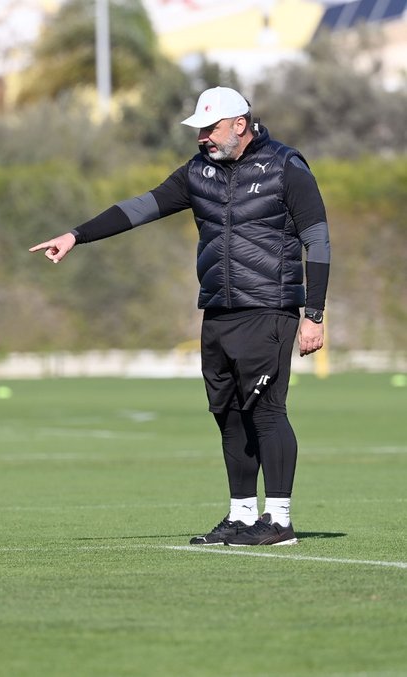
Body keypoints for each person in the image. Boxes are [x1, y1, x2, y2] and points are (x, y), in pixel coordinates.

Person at [30, 86, 330, 547]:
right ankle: (242, 516)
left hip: (269, 308)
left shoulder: (286, 167)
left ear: (239, 125)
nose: (202, 138)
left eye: (209, 129)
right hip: (218, 311)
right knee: (228, 415)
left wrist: (314, 313)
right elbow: (141, 208)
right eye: (199, 131)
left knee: (266, 412)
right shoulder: (198, 172)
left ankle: (279, 519)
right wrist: (76, 235)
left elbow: (319, 239)